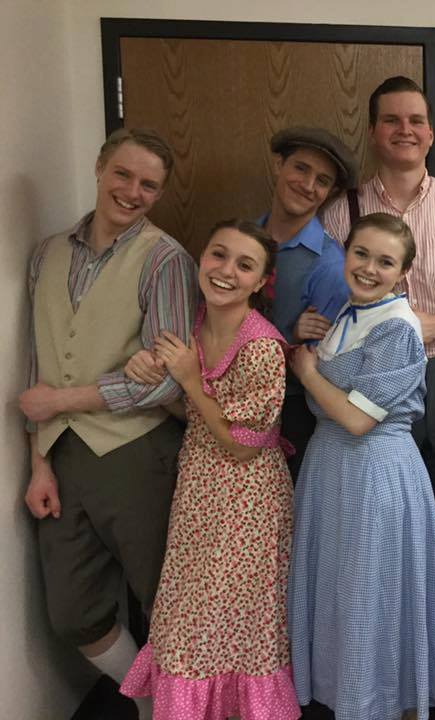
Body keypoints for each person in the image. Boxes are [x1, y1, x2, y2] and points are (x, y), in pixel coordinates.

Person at [18, 128, 197, 720]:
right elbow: (39, 361)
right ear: (99, 168)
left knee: (167, 604)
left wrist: (63, 401)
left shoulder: (166, 259)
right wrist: (38, 462)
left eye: (149, 185)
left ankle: (182, 710)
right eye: (123, 174)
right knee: (72, 611)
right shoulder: (46, 253)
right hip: (61, 459)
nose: (133, 191)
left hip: (139, 452)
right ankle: (146, 698)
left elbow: (168, 381)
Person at [119, 219, 298, 719]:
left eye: (245, 265)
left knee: (229, 625)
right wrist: (146, 375)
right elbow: (192, 412)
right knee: (186, 618)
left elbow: (242, 446)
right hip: (199, 488)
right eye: (219, 254)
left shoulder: (261, 347)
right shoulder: (191, 324)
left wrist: (190, 380)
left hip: (246, 501)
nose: (226, 271)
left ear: (260, 282)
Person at [287, 213, 435, 720]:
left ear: (403, 272)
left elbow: (358, 419)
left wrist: (307, 371)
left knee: (368, 593)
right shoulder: (350, 309)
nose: (368, 268)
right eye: (361, 254)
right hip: (332, 467)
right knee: (341, 592)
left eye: (385, 262)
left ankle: (373, 704)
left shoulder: (398, 327)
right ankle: (349, 699)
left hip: (373, 470)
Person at [324, 76, 435, 580]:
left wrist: (433, 325)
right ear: (373, 132)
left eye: (416, 120)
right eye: (392, 120)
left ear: (430, 133)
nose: (406, 130)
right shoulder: (341, 211)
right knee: (377, 514)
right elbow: (332, 302)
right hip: (369, 381)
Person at [260, 126, 356, 478]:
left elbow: (323, 368)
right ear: (278, 165)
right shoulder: (243, 238)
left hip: (291, 414)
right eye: (300, 168)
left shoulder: (329, 266)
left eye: (322, 180)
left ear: (330, 193)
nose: (307, 184)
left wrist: (293, 339)